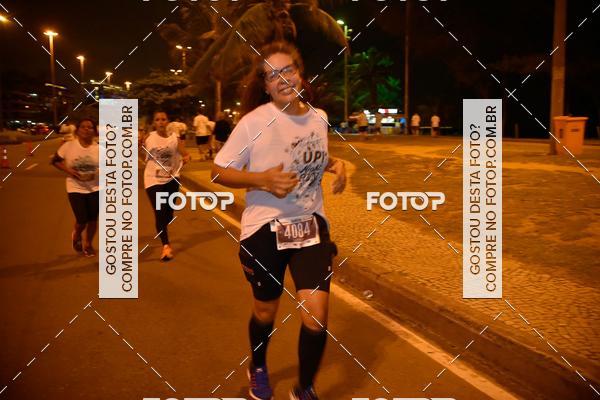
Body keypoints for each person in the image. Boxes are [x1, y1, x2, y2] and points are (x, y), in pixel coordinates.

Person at [212, 41, 346, 400]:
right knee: (265, 311)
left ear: (300, 73)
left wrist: (336, 165)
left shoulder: (318, 117)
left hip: (310, 225)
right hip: (264, 230)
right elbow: (218, 171)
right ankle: (257, 366)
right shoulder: (253, 123)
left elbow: (314, 154)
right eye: (273, 76)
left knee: (316, 315)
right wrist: (262, 180)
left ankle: (304, 388)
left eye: (288, 70)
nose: (283, 79)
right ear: (266, 86)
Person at [142, 110, 190, 261]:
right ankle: (166, 246)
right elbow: (143, 156)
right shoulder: (149, 138)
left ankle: (162, 226)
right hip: (153, 180)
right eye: (157, 119)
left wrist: (186, 157)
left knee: (168, 214)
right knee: (160, 212)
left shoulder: (174, 139)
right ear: (154, 123)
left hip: (172, 178)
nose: (161, 122)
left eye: (163, 119)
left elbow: (185, 153)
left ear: (168, 121)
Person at [51, 119, 100, 257]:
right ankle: (77, 234)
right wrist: (69, 171)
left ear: (94, 131)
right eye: (83, 127)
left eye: (90, 127)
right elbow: (55, 161)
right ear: (77, 130)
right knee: (82, 220)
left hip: (96, 188)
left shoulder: (99, 149)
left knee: (93, 220)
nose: (86, 129)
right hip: (75, 188)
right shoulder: (68, 146)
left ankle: (88, 244)